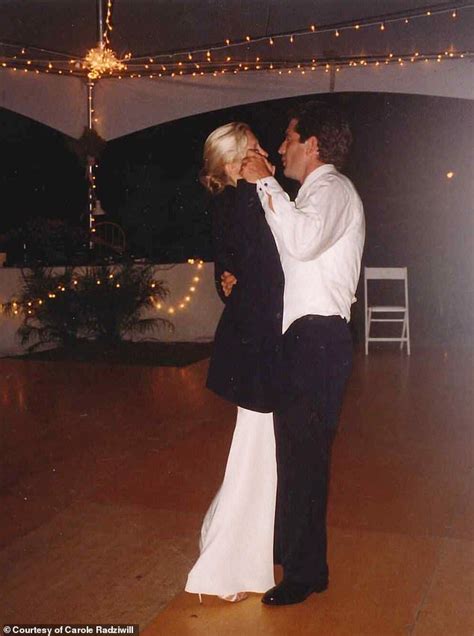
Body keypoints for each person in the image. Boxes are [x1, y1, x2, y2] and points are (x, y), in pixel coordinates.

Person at [239, 101, 365, 606]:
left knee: (304, 459)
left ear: (313, 145)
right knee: (296, 457)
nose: (282, 148)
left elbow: (304, 240)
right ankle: (303, 564)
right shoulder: (312, 195)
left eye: (290, 139)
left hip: (318, 339)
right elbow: (290, 257)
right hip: (304, 340)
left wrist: (266, 182)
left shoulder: (332, 189)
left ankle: (303, 572)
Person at [185, 122, 284, 602]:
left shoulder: (243, 199)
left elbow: (236, 273)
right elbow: (254, 267)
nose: (263, 153)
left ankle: (236, 552)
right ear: (230, 163)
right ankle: (227, 566)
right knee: (254, 455)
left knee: (258, 453)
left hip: (260, 340)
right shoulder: (236, 201)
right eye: (251, 150)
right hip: (256, 346)